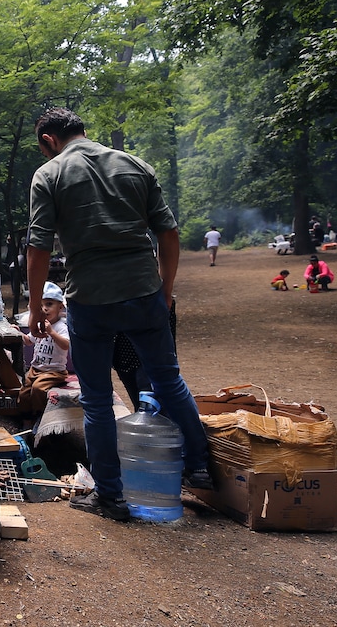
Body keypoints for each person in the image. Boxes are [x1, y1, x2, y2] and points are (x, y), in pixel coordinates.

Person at [26, 107, 211, 521]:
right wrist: (165, 289)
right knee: (168, 380)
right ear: (82, 130)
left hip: (90, 300)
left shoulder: (50, 174)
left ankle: (110, 496)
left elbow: (38, 247)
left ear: (48, 141)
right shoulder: (134, 164)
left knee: (96, 400)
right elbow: (168, 231)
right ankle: (199, 468)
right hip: (143, 292)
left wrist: (36, 304)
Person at [18, 281, 71, 414]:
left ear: (60, 307)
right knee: (24, 390)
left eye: (49, 304)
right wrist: (17, 332)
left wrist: (52, 332)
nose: (44, 309)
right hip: (35, 369)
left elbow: (66, 345)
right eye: (40, 305)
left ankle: (40, 416)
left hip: (54, 371)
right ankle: (26, 419)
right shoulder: (39, 325)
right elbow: (29, 341)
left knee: (38, 389)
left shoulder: (61, 327)